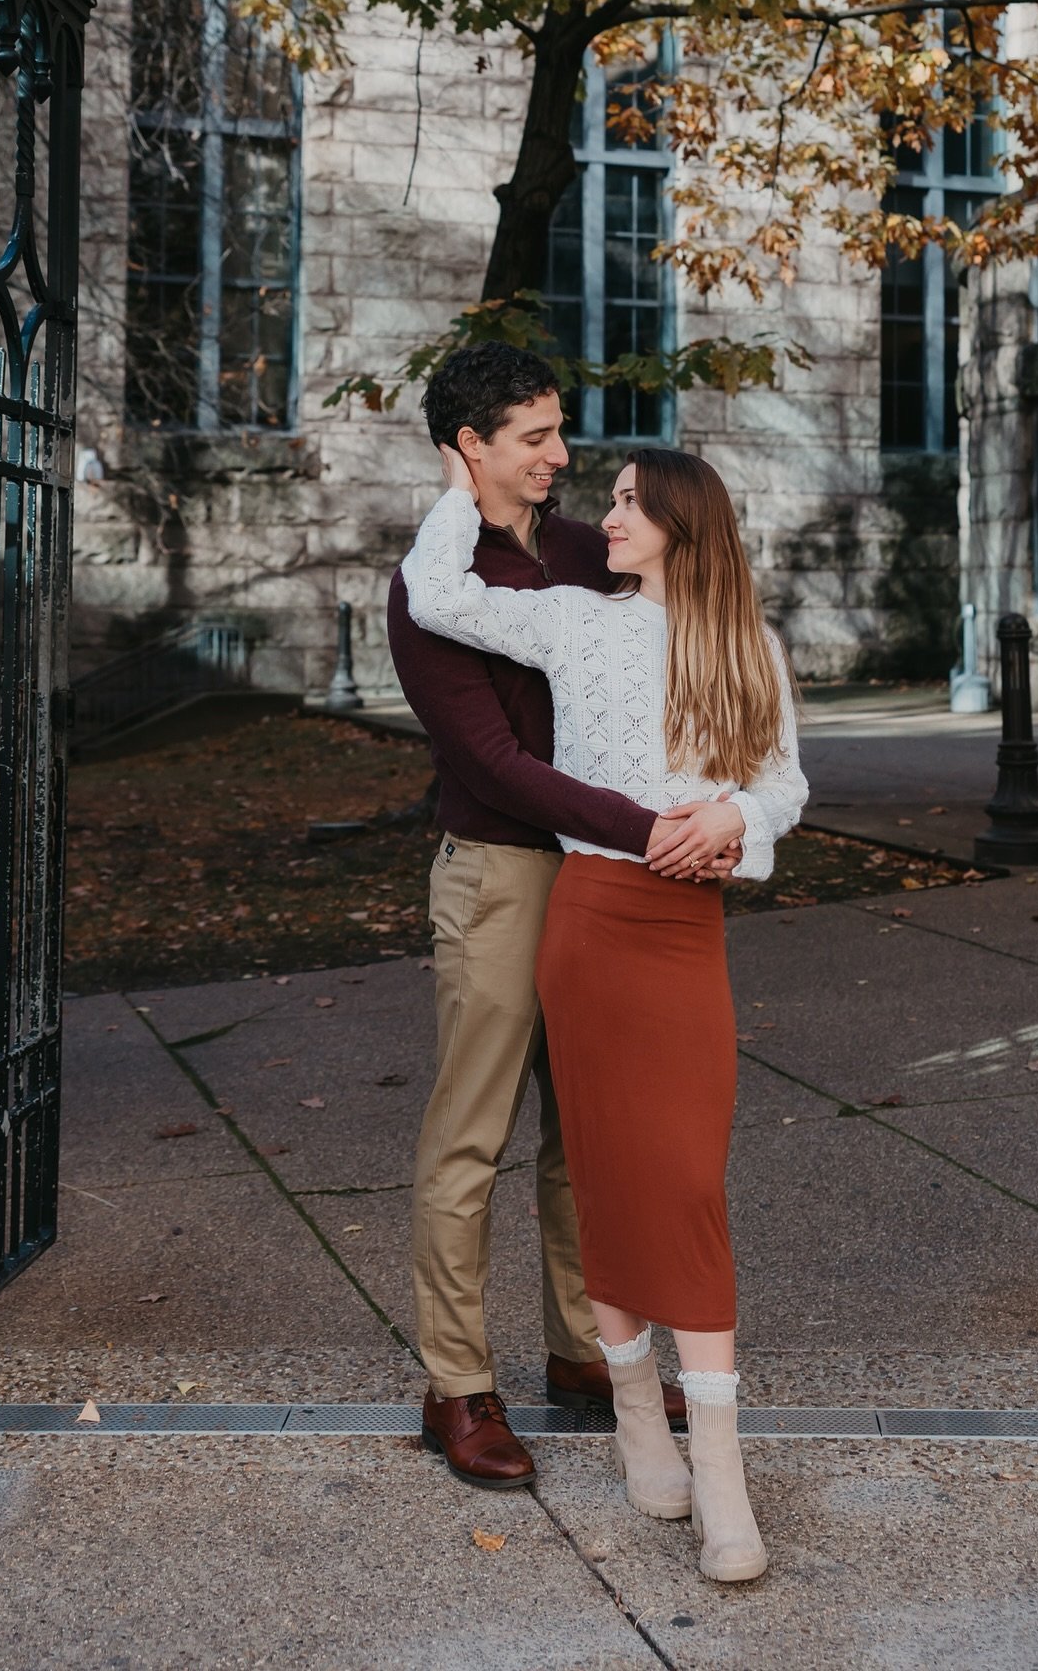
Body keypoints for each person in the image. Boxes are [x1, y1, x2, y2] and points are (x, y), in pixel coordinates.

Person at [402, 441, 810, 1584]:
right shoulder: (576, 619)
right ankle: (641, 1424)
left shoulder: (749, 646)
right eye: (613, 499)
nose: (609, 516)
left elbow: (785, 782)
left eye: (632, 503)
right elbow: (439, 595)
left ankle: (720, 1468)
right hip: (588, 919)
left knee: (685, 1181)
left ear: (684, 525)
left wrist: (733, 817)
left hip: (688, 935)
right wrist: (455, 484)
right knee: (606, 1171)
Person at [386, 344, 740, 1497]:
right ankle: (457, 1384)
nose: (561, 455)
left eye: (559, 431)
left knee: (591, 1131)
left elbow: (695, 653)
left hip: (608, 884)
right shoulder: (432, 582)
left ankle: (589, 1347)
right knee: (472, 1135)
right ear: (471, 446)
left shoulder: (595, 552)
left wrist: (724, 800)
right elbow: (495, 766)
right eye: (534, 436)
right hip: (502, 873)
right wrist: (651, 825)